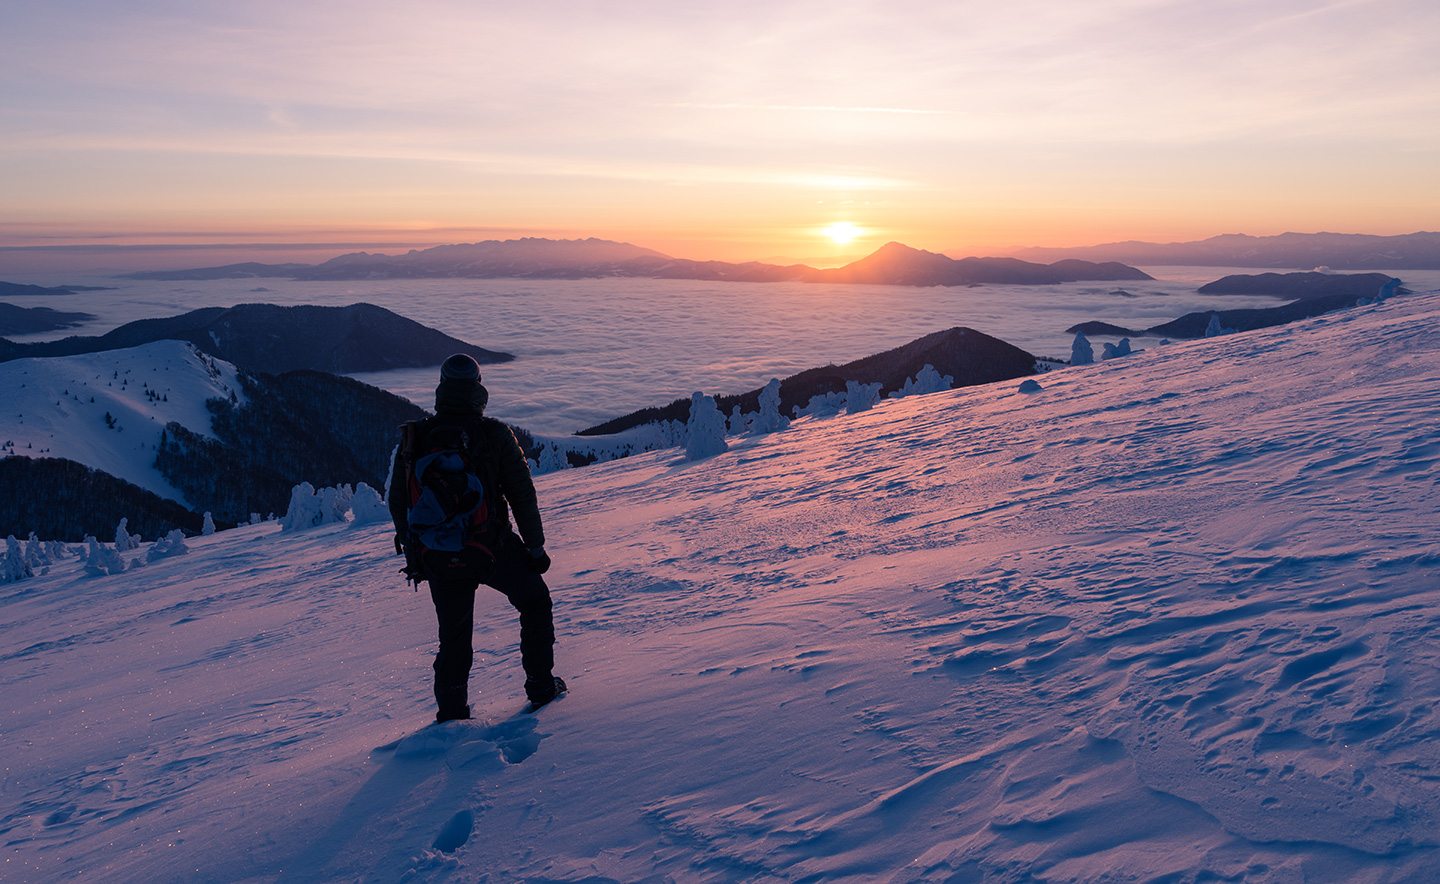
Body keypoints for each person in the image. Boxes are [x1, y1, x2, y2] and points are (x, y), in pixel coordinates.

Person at [389, 354, 565, 722]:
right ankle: (541, 687)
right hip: (492, 547)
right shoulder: (495, 435)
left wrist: (416, 552)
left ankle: (452, 715)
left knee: (453, 638)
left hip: (439, 554)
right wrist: (535, 548)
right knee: (535, 603)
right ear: (478, 390)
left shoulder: (416, 436)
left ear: (441, 387)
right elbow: (522, 495)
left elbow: (399, 500)